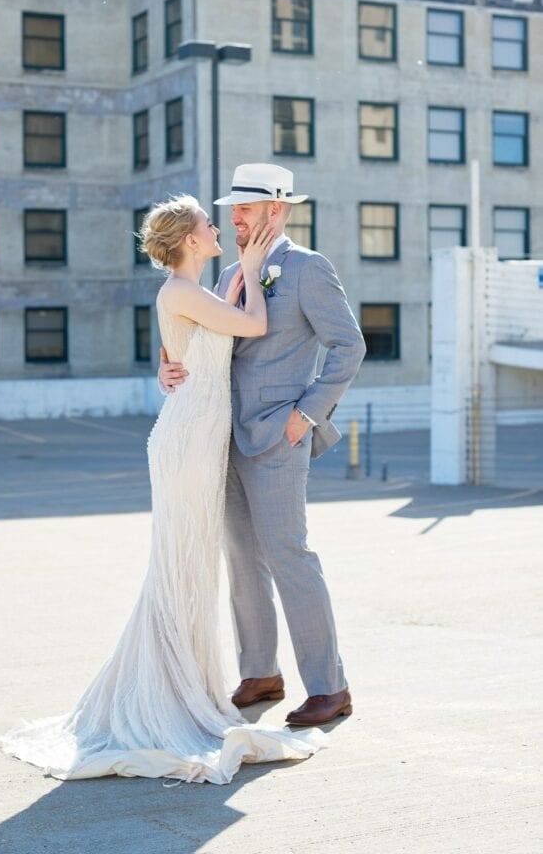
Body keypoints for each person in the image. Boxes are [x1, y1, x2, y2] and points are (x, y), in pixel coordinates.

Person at [0, 194, 326, 785]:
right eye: (209, 222)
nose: (220, 226)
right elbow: (250, 325)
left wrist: (168, 363)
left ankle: (190, 680)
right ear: (187, 239)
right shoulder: (189, 287)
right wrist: (251, 274)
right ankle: (169, 688)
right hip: (190, 444)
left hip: (205, 438)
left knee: (192, 563)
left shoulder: (203, 288)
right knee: (181, 563)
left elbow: (193, 346)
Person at [160, 164, 366, 727]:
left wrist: (306, 414)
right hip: (221, 435)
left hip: (279, 433)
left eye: (244, 209)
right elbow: (209, 344)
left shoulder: (307, 268)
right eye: (230, 210)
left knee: (288, 557)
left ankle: (330, 686)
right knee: (242, 560)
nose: (235, 218)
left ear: (277, 208)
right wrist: (172, 369)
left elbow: (349, 347)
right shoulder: (230, 272)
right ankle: (261, 673)